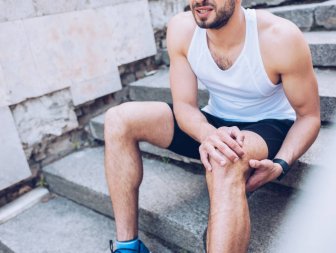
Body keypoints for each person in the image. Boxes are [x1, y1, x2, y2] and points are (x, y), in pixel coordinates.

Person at [105, 0, 321, 252]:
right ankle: (128, 247)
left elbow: (309, 117)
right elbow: (184, 106)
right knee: (118, 119)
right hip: (214, 119)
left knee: (224, 158)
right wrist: (209, 134)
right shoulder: (181, 28)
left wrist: (282, 164)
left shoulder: (279, 37)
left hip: (268, 124)